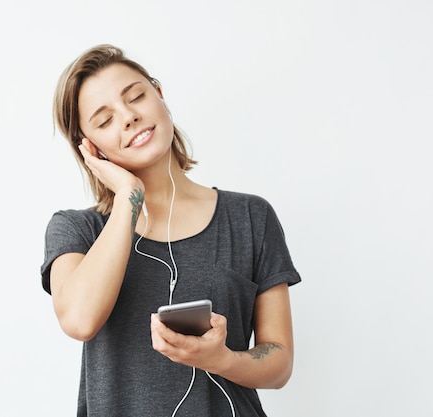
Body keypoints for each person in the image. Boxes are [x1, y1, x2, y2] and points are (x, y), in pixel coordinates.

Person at [41, 44, 301, 417]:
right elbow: (80, 320)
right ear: (89, 149)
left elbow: (280, 362)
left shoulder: (250, 217)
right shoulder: (76, 230)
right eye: (104, 120)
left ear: (159, 96)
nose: (129, 117)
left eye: (136, 97)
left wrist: (222, 359)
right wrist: (129, 194)